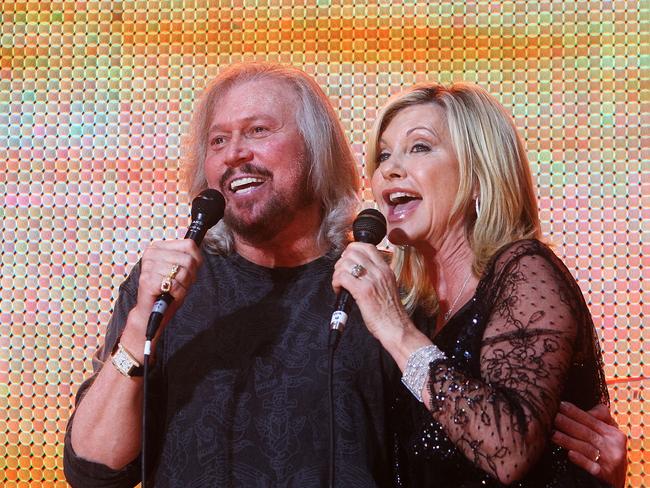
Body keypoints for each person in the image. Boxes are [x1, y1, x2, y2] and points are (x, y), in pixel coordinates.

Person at [63, 62, 398, 487]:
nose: (234, 153)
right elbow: (92, 469)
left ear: (317, 150)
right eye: (218, 139)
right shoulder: (168, 286)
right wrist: (139, 328)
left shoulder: (380, 285)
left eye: (258, 130)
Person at [332, 82, 614, 487]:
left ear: (480, 173)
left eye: (420, 147)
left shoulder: (525, 273)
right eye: (384, 155)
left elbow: (507, 450)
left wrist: (394, 328)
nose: (389, 169)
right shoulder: (418, 304)